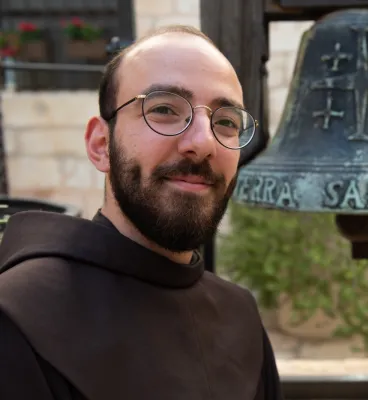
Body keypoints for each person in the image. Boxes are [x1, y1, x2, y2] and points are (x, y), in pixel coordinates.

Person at [0, 25, 283, 400]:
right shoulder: (18, 318)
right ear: (101, 145)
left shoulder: (240, 317)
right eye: (164, 109)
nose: (202, 143)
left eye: (227, 121)